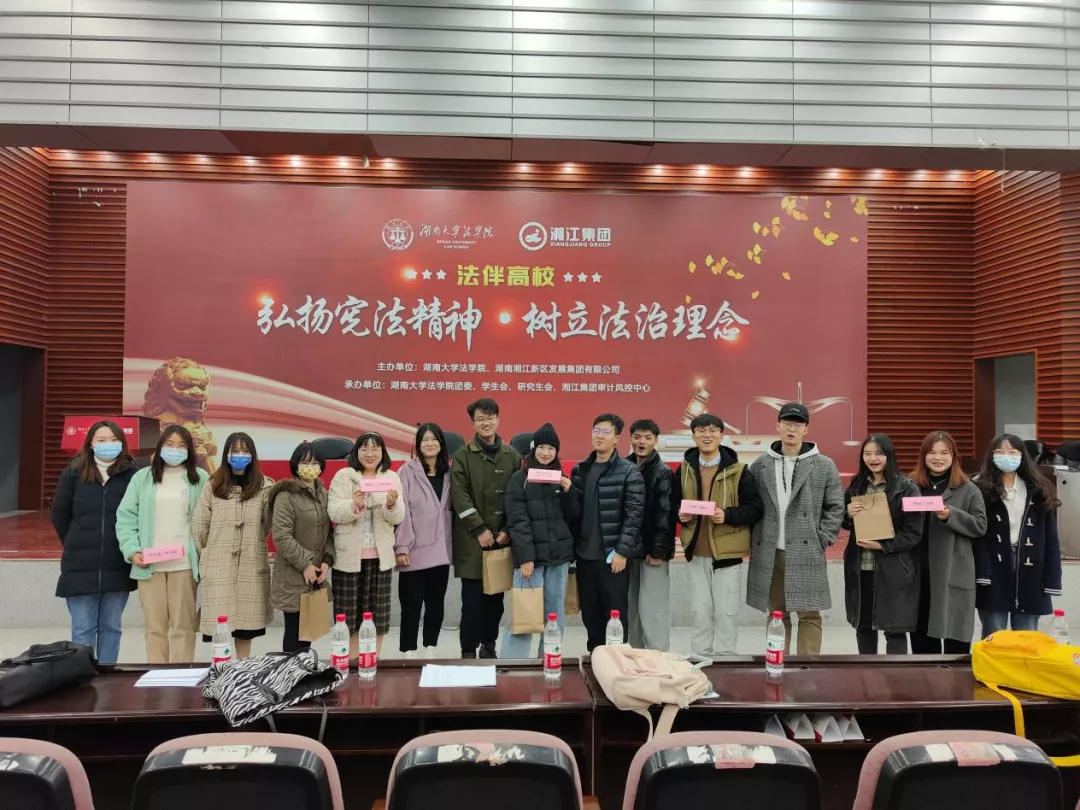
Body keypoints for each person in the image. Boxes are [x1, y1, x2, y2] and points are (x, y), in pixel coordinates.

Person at [746, 403, 843, 656]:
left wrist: (822, 538)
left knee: (810, 614)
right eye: (787, 423)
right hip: (771, 551)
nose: (792, 428)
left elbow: (836, 506)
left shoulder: (823, 465)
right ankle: (777, 662)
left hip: (807, 550)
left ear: (806, 429)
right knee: (777, 613)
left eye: (798, 424)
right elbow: (750, 504)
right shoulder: (761, 464)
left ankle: (807, 668)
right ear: (777, 426)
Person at [116, 424, 209, 663]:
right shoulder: (142, 478)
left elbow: (209, 519)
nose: (175, 450)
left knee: (183, 626)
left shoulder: (200, 478)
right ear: (160, 447)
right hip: (149, 564)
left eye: (181, 446)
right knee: (154, 627)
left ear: (189, 450)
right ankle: (157, 675)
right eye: (169, 444)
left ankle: (182, 675)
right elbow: (126, 517)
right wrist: (132, 550)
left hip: (184, 564)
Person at [50, 420, 139, 664]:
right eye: (101, 440)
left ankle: (107, 675)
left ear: (122, 443)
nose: (108, 444)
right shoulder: (73, 473)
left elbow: (138, 515)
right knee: (82, 629)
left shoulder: (133, 475)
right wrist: (75, 541)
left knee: (112, 627)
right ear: (90, 444)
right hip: (80, 565)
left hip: (117, 563)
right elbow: (59, 515)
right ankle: (83, 676)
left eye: (114, 439)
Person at [677, 414, 762, 658]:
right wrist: (679, 515)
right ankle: (699, 657)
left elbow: (755, 508)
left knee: (726, 612)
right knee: (700, 611)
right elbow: (672, 504)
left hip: (727, 554)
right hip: (696, 551)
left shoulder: (739, 470)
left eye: (713, 430)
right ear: (693, 436)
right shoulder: (684, 470)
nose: (707, 435)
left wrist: (727, 515)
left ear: (721, 435)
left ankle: (726, 659)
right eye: (701, 430)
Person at [191, 432, 273, 660]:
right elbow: (200, 525)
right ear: (226, 454)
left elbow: (266, 524)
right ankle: (221, 669)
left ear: (253, 455)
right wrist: (211, 552)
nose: (240, 455)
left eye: (245, 451)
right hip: (219, 564)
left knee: (246, 627)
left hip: (250, 562)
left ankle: (243, 669)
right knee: (221, 625)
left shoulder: (265, 486)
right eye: (234, 451)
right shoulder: (213, 485)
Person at [451, 398, 522, 659]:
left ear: (498, 420)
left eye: (490, 417)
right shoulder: (462, 456)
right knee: (472, 601)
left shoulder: (512, 455)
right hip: (472, 541)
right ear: (473, 423)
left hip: (501, 540)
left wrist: (508, 529)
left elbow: (517, 496)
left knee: (495, 601)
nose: (486, 423)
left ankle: (489, 644)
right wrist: (479, 528)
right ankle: (468, 649)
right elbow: (460, 496)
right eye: (480, 419)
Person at [568, 413, 645, 651]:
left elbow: (634, 515)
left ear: (617, 438)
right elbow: (573, 513)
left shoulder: (629, 471)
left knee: (616, 615)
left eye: (605, 432)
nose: (599, 436)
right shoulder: (580, 469)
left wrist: (622, 551)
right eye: (596, 431)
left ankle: (616, 662)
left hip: (612, 558)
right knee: (590, 615)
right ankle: (595, 659)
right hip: (585, 556)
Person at [974, 434, 1061, 637]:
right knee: (994, 633)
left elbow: (1050, 537)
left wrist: (1052, 579)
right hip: (993, 564)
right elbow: (976, 533)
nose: (1006, 457)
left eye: (1012, 452)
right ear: (992, 456)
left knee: (1026, 636)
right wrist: (980, 572)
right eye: (1000, 452)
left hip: (1030, 564)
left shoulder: (1038, 488)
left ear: (1022, 456)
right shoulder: (979, 487)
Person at [501, 423, 577, 658]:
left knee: (555, 615)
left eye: (551, 448)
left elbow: (573, 517)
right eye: (542, 447)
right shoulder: (520, 479)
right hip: (530, 561)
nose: (546, 453)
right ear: (533, 449)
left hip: (558, 558)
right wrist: (525, 558)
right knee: (523, 615)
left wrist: (570, 492)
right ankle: (512, 665)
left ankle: (549, 659)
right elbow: (518, 521)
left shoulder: (562, 478)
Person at [842, 433, 922, 655]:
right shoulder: (856, 485)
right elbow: (846, 524)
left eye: (878, 453)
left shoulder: (907, 487)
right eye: (867, 453)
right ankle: (866, 673)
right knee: (863, 627)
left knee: (894, 630)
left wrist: (883, 546)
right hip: (861, 569)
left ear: (889, 455)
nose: (873, 458)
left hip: (893, 570)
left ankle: (894, 675)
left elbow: (914, 532)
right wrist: (847, 514)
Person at [909, 430, 988, 654]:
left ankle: (955, 677)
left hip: (952, 569)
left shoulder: (968, 488)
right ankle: (926, 676)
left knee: (956, 632)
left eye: (944, 453)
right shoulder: (910, 485)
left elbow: (980, 525)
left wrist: (950, 515)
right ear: (923, 456)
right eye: (932, 452)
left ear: (953, 457)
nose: (938, 457)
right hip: (918, 570)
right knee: (922, 633)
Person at [328, 432, 404, 659]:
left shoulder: (391, 477)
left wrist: (391, 505)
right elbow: (334, 512)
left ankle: (372, 659)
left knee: (378, 614)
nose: (370, 454)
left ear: (383, 452)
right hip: (349, 557)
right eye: (364, 449)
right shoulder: (344, 476)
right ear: (356, 452)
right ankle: (350, 661)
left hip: (380, 557)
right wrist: (353, 504)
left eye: (375, 449)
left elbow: (398, 517)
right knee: (348, 615)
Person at [266, 442, 334, 653]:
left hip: (316, 573)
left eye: (314, 462)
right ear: (295, 465)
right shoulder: (285, 496)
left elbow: (329, 532)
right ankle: (290, 670)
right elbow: (281, 536)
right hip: (293, 573)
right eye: (305, 462)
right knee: (294, 629)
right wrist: (305, 564)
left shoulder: (324, 495)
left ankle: (302, 668)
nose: (310, 467)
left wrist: (327, 560)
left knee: (308, 632)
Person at [395, 423, 453, 658]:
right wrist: (401, 547)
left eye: (434, 439)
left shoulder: (449, 472)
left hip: (441, 549)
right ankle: (408, 650)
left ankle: (431, 647)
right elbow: (402, 512)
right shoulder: (406, 472)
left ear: (441, 443)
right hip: (414, 549)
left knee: (436, 603)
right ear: (418, 445)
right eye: (424, 440)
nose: (429, 444)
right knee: (411, 604)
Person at [626, 419, 677, 652]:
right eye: (637, 437)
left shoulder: (663, 472)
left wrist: (658, 551)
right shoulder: (623, 467)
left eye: (648, 438)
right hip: (628, 551)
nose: (642, 442)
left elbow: (665, 514)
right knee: (632, 608)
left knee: (653, 608)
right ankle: (636, 655)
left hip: (652, 553)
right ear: (630, 439)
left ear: (656, 441)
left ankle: (658, 657)